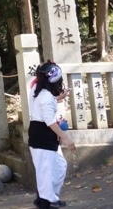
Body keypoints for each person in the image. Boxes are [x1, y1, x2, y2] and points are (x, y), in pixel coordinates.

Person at [29, 61, 75, 209]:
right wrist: (66, 137)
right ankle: (46, 202)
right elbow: (49, 121)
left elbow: (44, 106)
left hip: (41, 133)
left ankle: (47, 198)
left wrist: (58, 98)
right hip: (43, 134)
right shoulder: (45, 96)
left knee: (58, 166)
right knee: (47, 170)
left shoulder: (37, 89)